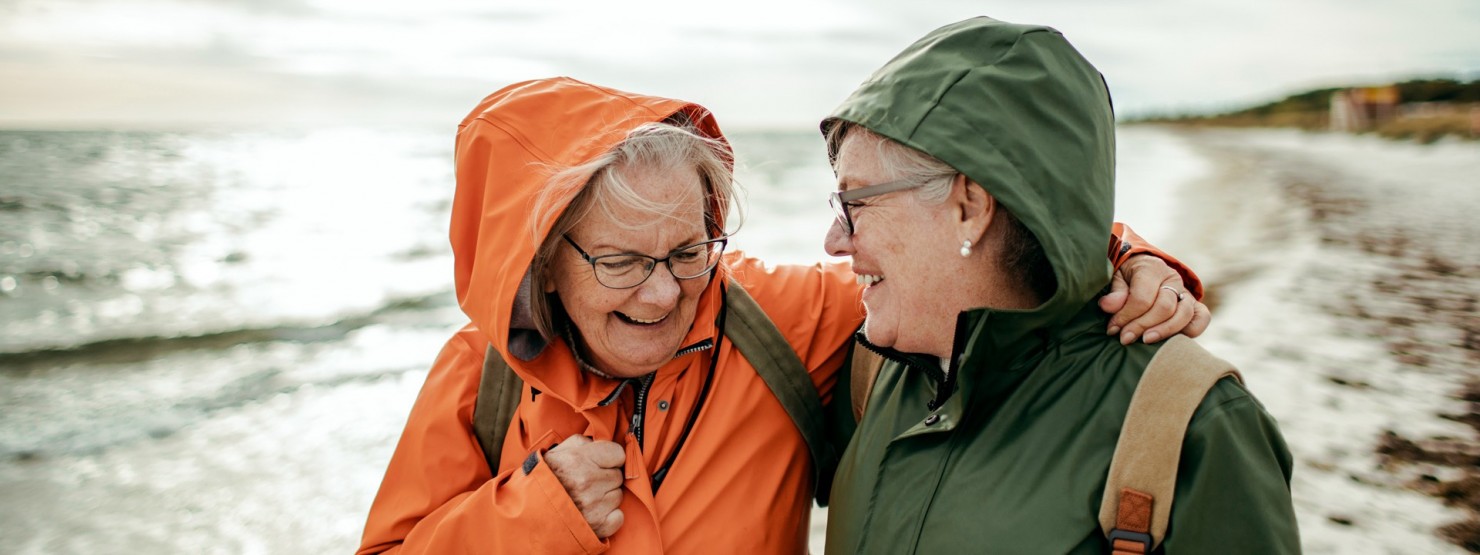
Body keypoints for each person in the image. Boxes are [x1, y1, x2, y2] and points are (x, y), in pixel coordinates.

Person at [356, 77, 1207, 554]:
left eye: (690, 251)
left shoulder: (778, 319)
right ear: (543, 257)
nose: (663, 293)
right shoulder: (480, 376)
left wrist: (1124, 258)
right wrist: (536, 516)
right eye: (619, 261)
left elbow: (966, 272)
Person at [819, 17, 1300, 554]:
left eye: (855, 203)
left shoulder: (1197, 425)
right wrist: (1121, 249)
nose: (835, 241)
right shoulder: (869, 367)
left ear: (969, 207)